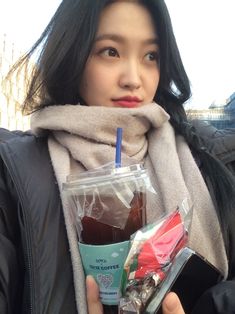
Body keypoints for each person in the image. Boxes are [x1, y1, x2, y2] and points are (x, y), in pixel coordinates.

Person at [1, 1, 235, 313]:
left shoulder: (210, 157)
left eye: (151, 56)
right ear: (73, 52)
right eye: (111, 51)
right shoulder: (13, 171)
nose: (133, 79)